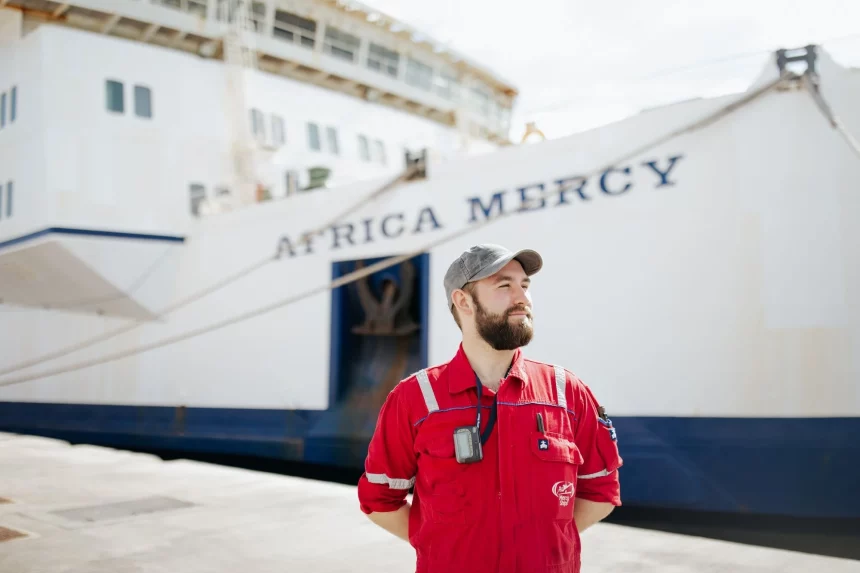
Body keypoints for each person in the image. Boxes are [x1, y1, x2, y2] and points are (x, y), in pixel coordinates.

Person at [356, 244, 623, 573]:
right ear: (463, 301)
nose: (522, 297)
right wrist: (442, 544)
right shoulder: (415, 398)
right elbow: (378, 500)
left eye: (524, 285)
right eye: (504, 286)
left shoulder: (566, 392)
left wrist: (539, 544)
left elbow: (600, 492)